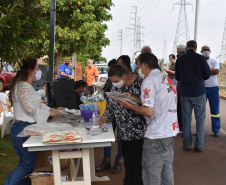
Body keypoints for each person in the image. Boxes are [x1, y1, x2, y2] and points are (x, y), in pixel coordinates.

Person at [118, 52, 179, 185]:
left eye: (138, 66)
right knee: (166, 170)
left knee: (151, 174)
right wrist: (135, 99)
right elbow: (157, 103)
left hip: (157, 135)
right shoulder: (165, 78)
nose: (137, 70)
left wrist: (129, 105)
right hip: (170, 131)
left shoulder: (148, 81)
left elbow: (149, 111)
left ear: (145, 66)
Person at [5, 57, 62, 185]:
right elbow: (30, 109)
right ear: (30, 70)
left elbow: (38, 105)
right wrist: (49, 112)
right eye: (37, 68)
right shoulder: (23, 86)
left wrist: (53, 110)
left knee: (28, 164)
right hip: (22, 128)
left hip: (25, 128)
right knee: (27, 163)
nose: (38, 71)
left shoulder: (26, 85)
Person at [100, 65, 145, 185]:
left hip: (138, 131)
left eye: (115, 81)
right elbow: (110, 106)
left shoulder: (140, 84)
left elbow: (148, 106)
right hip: (123, 131)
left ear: (124, 76)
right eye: (112, 81)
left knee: (137, 162)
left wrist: (134, 98)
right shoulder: (116, 87)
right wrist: (104, 118)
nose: (114, 84)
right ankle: (129, 182)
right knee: (128, 161)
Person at [175, 40, 210, 152]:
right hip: (199, 92)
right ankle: (199, 145)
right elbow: (207, 75)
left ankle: (187, 144)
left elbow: (177, 77)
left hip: (185, 93)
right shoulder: (200, 58)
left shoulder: (180, 59)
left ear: (186, 48)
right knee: (200, 119)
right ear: (195, 47)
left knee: (186, 119)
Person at [96, 59, 123, 174]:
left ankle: (119, 160)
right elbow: (109, 93)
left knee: (120, 137)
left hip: (123, 115)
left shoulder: (129, 82)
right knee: (107, 133)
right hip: (110, 110)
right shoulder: (112, 80)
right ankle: (106, 159)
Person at [201, 45, 221, 137]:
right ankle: (199, 130)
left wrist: (204, 72)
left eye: (208, 50)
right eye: (204, 50)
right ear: (201, 51)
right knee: (200, 111)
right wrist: (210, 71)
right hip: (202, 88)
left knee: (215, 111)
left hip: (213, 88)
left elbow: (216, 71)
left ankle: (216, 130)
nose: (206, 51)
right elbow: (198, 72)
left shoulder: (214, 60)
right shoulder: (200, 61)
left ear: (210, 51)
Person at [176, 44, 186, 133]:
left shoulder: (180, 60)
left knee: (182, 109)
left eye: (178, 53)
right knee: (180, 109)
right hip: (181, 88)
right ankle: (181, 127)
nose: (177, 55)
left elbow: (177, 76)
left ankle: (182, 127)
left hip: (182, 88)